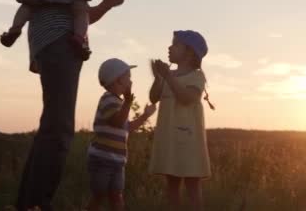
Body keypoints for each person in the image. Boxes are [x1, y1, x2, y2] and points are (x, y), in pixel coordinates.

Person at [12, 0, 126, 211]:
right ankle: (38, 204)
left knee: (53, 124)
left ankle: (28, 203)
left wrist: (106, 4)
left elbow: (81, 13)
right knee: (60, 127)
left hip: (67, 41)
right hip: (54, 40)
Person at [149, 30, 213, 211]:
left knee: (192, 183)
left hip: (189, 139)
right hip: (170, 137)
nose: (170, 47)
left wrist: (167, 77)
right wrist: (157, 78)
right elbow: (154, 97)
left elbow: (187, 98)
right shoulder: (168, 75)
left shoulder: (197, 76)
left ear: (190, 52)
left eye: (176, 44)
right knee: (172, 182)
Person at [87, 58, 157, 211]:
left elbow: (127, 127)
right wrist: (127, 102)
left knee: (117, 195)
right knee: (99, 194)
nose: (131, 81)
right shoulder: (108, 100)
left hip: (118, 161)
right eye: (128, 77)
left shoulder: (118, 103)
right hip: (102, 159)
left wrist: (145, 116)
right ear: (118, 80)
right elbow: (118, 122)